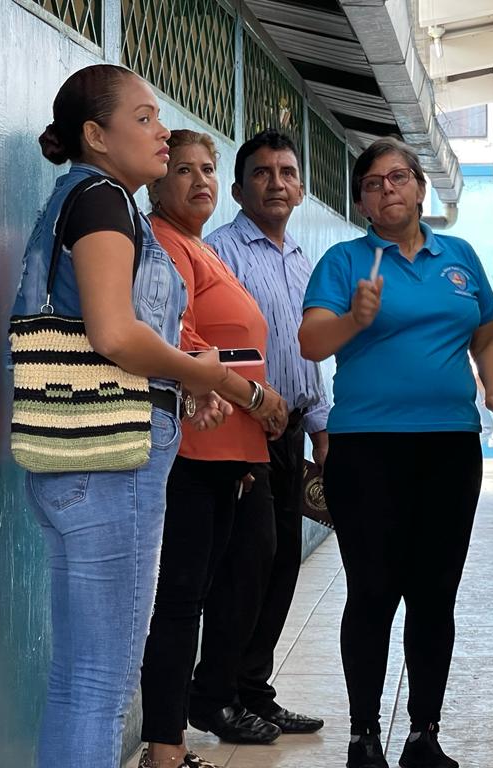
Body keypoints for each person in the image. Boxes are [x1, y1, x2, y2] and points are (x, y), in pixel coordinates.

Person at [10, 65, 234, 768]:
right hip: (111, 462)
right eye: (143, 118)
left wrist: (181, 377)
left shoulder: (80, 199)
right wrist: (200, 372)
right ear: (96, 135)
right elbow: (113, 333)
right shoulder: (104, 200)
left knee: (80, 678)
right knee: (100, 683)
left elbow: (112, 329)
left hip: (76, 461)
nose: (161, 131)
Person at [298, 136, 493, 768]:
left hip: (449, 448)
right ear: (361, 202)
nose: (387, 190)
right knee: (372, 591)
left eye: (398, 178)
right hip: (366, 451)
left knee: (434, 594)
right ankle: (364, 736)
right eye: (373, 184)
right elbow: (311, 341)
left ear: (421, 188)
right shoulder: (345, 262)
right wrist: (354, 319)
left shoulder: (460, 257)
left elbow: (486, 333)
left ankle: (424, 734)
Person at [137, 129, 288, 768]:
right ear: (156, 182)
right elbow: (181, 339)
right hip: (194, 449)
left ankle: (191, 721)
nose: (199, 180)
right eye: (183, 170)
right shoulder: (162, 244)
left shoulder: (199, 247)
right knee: (181, 601)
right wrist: (256, 399)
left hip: (228, 449)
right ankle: (165, 747)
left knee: (218, 587)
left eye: (206, 169)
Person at [188, 129, 328, 743]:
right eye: (262, 173)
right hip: (241, 429)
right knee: (245, 566)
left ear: (300, 189)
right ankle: (215, 694)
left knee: (280, 565)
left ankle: (253, 692)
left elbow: (307, 354)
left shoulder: (300, 259)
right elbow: (218, 346)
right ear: (239, 189)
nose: (276, 183)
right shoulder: (221, 253)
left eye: (287, 172)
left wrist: (319, 425)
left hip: (290, 429)